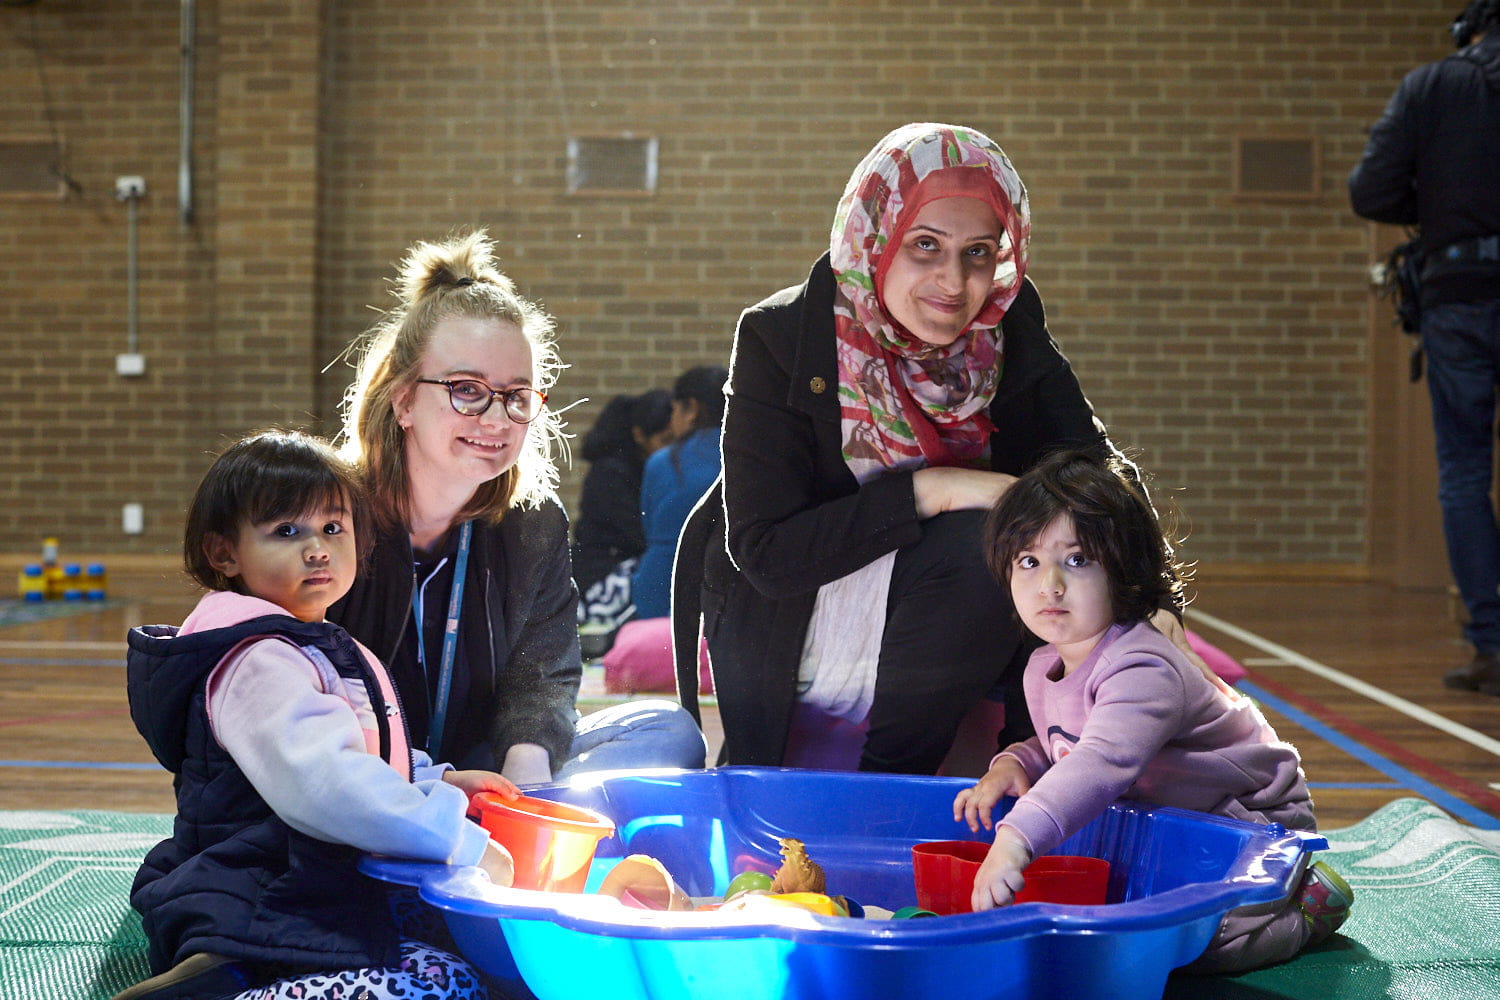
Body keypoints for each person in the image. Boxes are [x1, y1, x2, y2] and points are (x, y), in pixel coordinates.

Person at [672, 122, 1204, 773]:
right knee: (990, 532)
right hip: (801, 603)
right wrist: (937, 488)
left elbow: (1095, 465)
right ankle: (888, 786)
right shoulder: (779, 336)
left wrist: (1154, 597)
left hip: (942, 601)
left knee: (1057, 537)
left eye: (978, 253)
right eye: (926, 245)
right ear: (876, 239)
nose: (954, 282)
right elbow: (767, 555)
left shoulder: (1003, 328)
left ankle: (1025, 760)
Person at [120, 430, 515, 1000]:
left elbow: (365, 750)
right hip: (259, 895)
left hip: (306, 879)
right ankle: (225, 982)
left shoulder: (308, 641)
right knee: (444, 983)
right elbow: (331, 786)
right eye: (287, 531)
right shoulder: (258, 660)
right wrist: (453, 836)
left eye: (333, 528)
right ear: (223, 553)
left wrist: (438, 780)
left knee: (458, 952)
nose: (316, 548)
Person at [953, 450, 1353, 973]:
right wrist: (1017, 761)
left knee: (1201, 945)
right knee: (1114, 917)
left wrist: (1016, 838)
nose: (1049, 583)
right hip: (1168, 817)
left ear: (1122, 570)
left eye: (1076, 560)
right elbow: (1068, 742)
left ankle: (1306, 908)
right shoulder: (1043, 665)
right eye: (1029, 561)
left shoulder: (1142, 665)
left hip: (1248, 825)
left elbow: (1101, 760)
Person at [331, 230, 705, 785]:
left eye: (517, 395)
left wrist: (527, 766)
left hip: (487, 776)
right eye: (466, 389)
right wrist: (423, 783)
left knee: (669, 731)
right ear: (404, 400)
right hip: (360, 774)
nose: (497, 418)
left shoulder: (533, 522)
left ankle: (501, 824)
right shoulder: (328, 513)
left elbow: (544, 676)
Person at [1349, 1, 1500, 696]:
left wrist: (1439, 194)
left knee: (1464, 471)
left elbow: (1370, 188)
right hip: (1460, 294)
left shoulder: (1433, 86)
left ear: (1470, 28)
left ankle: (1492, 647)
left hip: (1460, 293)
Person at [572, 388, 674, 636]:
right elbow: (640, 534)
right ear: (640, 435)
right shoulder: (611, 473)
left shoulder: (643, 466)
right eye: (665, 441)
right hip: (603, 574)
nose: (672, 450)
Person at [630, 366, 727, 620]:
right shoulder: (747, 459)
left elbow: (649, 528)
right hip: (726, 581)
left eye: (674, 410)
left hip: (661, 582)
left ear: (691, 409)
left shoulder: (661, 462)